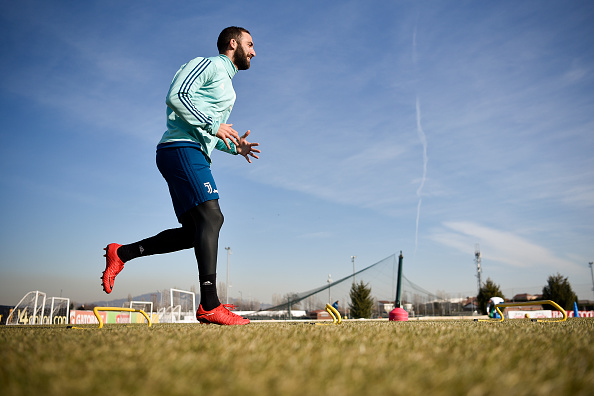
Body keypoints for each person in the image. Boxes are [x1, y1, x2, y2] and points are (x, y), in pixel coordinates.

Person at [101, 27, 260, 326]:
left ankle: (121, 253)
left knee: (195, 232)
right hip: (179, 149)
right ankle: (210, 304)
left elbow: (208, 131)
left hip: (194, 151)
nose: (253, 52)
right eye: (250, 44)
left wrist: (235, 147)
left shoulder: (230, 89)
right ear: (233, 43)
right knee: (212, 219)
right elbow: (177, 96)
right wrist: (214, 125)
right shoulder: (210, 64)